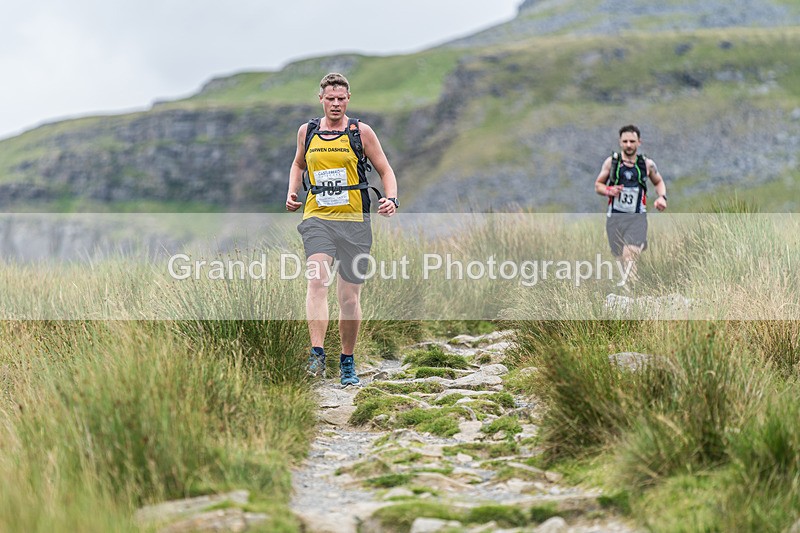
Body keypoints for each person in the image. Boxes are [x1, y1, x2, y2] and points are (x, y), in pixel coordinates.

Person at [286, 72, 398, 386]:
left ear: (348, 99)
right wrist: (292, 191)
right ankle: (317, 355)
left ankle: (347, 361)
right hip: (317, 218)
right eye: (330, 99)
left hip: (355, 222)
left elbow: (385, 170)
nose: (335, 104)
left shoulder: (360, 132)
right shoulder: (307, 132)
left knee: (348, 298)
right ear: (320, 99)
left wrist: (391, 199)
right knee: (317, 281)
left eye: (341, 99)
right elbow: (298, 164)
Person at [594, 124, 667, 286]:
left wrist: (662, 197)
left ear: (639, 142)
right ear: (620, 142)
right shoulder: (611, 163)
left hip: (637, 218)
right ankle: (627, 287)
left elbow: (659, 181)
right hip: (615, 218)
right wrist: (609, 190)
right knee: (620, 257)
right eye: (625, 141)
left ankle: (632, 290)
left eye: (632, 141)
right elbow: (598, 185)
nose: (628, 145)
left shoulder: (646, 164)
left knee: (630, 254)